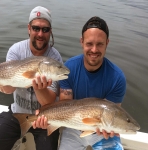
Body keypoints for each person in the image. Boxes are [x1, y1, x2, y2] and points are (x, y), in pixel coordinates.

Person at [33, 16, 126, 150]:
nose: (94, 50)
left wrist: (107, 127)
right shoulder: (68, 69)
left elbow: (112, 113)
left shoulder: (117, 78)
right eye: (89, 44)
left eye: (99, 44)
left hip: (101, 132)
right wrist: (47, 118)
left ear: (107, 43)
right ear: (82, 42)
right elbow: (65, 106)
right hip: (73, 128)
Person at [0, 6, 62, 150]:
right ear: (29, 28)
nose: (40, 34)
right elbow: (8, 88)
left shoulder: (55, 59)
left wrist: (39, 88)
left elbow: (49, 101)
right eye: (36, 28)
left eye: (45, 29)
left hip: (42, 118)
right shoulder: (16, 50)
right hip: (17, 112)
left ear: (50, 32)